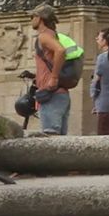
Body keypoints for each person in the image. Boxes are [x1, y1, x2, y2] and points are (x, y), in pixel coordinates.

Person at [30, 7, 78, 136]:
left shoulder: (44, 36)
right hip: (60, 94)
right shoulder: (54, 35)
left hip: (52, 94)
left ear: (40, 18)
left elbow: (60, 50)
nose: (31, 20)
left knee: (51, 137)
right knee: (59, 140)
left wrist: (54, 77)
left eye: (32, 17)